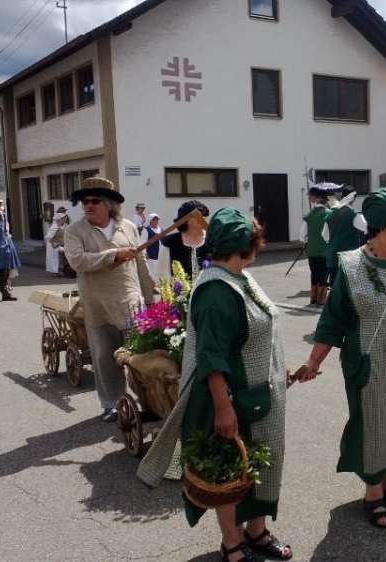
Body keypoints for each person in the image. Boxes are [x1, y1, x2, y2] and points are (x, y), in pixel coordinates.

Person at [138, 208, 293, 562]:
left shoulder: (240, 277)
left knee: (261, 465)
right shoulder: (216, 291)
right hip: (235, 398)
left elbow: (260, 331)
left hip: (261, 395)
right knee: (232, 470)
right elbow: (211, 357)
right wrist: (223, 408)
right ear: (246, 245)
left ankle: (256, 532)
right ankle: (232, 542)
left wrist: (277, 368)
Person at [300, 189, 386, 529]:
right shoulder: (351, 265)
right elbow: (332, 320)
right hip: (369, 363)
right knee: (373, 423)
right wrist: (314, 362)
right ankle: (373, 492)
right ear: (381, 223)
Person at [64, 177, 155, 422]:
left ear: (109, 204)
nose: (88, 206)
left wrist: (150, 297)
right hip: (97, 304)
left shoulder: (128, 226)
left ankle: (148, 401)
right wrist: (113, 255)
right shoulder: (74, 230)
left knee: (139, 356)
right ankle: (111, 403)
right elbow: (76, 261)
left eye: (94, 201)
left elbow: (141, 263)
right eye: (85, 202)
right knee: (104, 356)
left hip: (130, 301)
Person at [158, 200, 210, 281]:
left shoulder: (213, 240)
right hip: (178, 292)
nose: (203, 219)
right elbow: (162, 273)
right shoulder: (171, 242)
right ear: (187, 220)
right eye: (198, 216)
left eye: (204, 216)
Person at [323, 192, 364, 287]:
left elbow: (324, 235)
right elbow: (367, 228)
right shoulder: (354, 214)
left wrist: (334, 243)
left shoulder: (331, 214)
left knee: (335, 287)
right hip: (348, 257)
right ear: (353, 199)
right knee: (348, 288)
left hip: (333, 255)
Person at [301, 194, 330, 306]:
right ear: (326, 203)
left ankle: (313, 298)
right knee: (323, 273)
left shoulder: (309, 214)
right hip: (324, 250)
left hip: (311, 250)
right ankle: (321, 299)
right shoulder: (328, 214)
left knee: (314, 273)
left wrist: (304, 242)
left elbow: (302, 233)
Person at [45, 212, 67, 276]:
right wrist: (53, 244)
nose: (64, 220)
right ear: (59, 219)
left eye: (64, 218)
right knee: (54, 257)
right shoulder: (54, 227)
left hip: (62, 244)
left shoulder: (65, 226)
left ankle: (67, 269)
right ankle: (55, 272)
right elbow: (49, 237)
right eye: (62, 218)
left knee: (67, 252)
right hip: (55, 244)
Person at [143, 213, 162, 283]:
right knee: (152, 274)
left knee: (160, 274)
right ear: (150, 221)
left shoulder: (162, 230)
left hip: (160, 256)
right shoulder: (146, 230)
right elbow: (143, 243)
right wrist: (145, 253)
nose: (156, 221)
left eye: (157, 219)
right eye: (154, 219)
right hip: (151, 257)